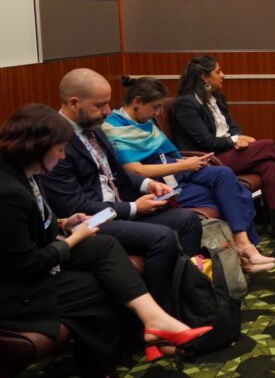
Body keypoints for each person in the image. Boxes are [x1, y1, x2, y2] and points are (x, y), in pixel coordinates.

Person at [0, 104, 212, 377]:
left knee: (104, 245)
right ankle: (110, 361)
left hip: (37, 265)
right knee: (101, 286)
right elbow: (26, 265)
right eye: (60, 149)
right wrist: (73, 239)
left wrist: (64, 223)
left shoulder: (26, 172)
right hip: (17, 291)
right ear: (37, 147)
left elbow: (33, 223)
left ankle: (154, 321)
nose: (63, 156)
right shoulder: (8, 192)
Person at [42, 69, 203, 311]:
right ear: (74, 103)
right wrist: (134, 207)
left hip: (119, 209)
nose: (108, 111)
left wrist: (147, 184)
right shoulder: (55, 142)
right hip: (91, 220)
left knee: (188, 221)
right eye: (100, 105)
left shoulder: (94, 129)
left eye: (108, 103)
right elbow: (73, 205)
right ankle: (159, 312)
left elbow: (118, 171)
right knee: (162, 237)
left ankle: (185, 298)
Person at [104, 77, 275, 273]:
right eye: (155, 107)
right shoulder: (115, 127)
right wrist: (183, 165)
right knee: (227, 197)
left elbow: (163, 154)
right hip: (159, 184)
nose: (158, 113)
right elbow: (134, 170)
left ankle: (243, 245)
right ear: (137, 102)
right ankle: (242, 253)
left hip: (175, 170)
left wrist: (185, 162)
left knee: (224, 175)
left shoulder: (143, 121)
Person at [169, 55, 275, 243]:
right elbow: (205, 142)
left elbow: (233, 126)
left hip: (226, 150)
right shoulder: (186, 104)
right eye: (218, 72)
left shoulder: (215, 97)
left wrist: (239, 138)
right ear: (204, 77)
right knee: (268, 146)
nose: (223, 75)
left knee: (268, 164)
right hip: (209, 159)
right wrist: (234, 140)